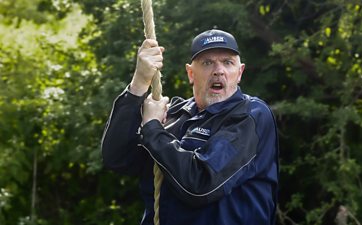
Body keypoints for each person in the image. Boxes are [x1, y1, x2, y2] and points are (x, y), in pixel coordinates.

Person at [101, 29, 279, 225]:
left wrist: (152, 128)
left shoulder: (251, 114)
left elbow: (202, 185)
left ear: (239, 73)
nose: (218, 70)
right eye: (207, 63)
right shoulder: (173, 114)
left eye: (227, 62)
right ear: (191, 74)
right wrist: (139, 83)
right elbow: (117, 158)